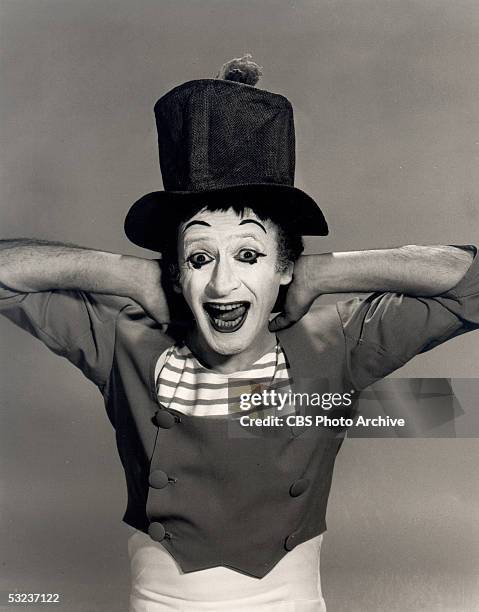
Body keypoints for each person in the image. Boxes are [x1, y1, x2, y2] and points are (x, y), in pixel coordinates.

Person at [0, 57, 478, 611]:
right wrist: (124, 274)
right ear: (176, 273)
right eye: (200, 257)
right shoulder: (124, 343)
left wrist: (326, 271)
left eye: (249, 254)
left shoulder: (337, 343)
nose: (222, 282)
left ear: (282, 266)